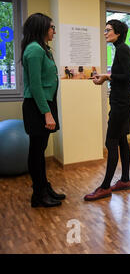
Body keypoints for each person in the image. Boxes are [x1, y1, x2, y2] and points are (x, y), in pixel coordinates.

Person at [84, 20, 130, 201]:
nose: (105, 33)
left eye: (108, 30)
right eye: (105, 30)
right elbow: (122, 76)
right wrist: (107, 78)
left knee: (111, 141)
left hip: (122, 103)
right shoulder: (120, 48)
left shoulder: (122, 49)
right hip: (121, 101)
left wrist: (107, 76)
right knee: (121, 140)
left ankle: (105, 187)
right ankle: (125, 180)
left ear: (118, 32)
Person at [21, 13, 65, 208]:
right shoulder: (34, 50)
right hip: (37, 106)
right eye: (51, 27)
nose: (54, 31)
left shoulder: (43, 49)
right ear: (41, 29)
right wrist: (47, 113)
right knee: (37, 151)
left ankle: (44, 188)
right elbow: (36, 86)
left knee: (40, 150)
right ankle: (38, 194)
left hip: (45, 104)